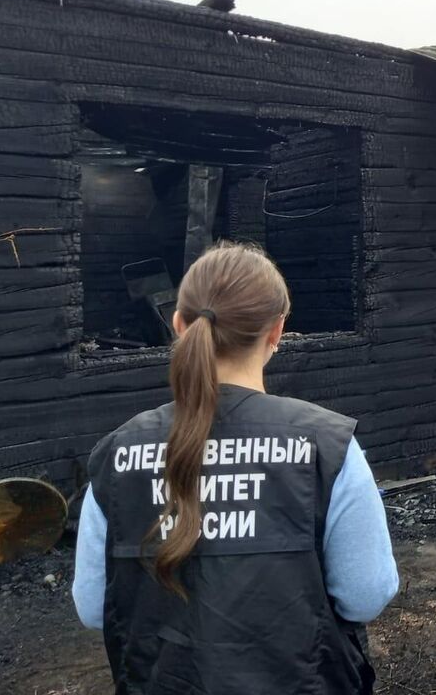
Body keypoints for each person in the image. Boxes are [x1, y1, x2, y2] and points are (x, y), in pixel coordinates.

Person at [72, 242, 398, 694]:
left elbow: (93, 607)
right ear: (277, 330)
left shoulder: (117, 455)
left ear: (179, 324)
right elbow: (365, 596)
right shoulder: (328, 445)